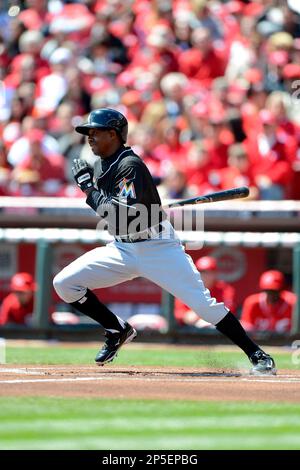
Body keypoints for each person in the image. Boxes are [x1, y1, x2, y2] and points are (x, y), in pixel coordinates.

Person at [53, 107, 276, 375]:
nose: (89, 137)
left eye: (95, 132)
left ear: (113, 134)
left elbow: (118, 216)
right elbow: (119, 216)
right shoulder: (103, 164)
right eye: (88, 132)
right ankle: (117, 329)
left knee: (203, 305)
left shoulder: (129, 165)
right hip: (124, 247)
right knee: (65, 284)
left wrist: (89, 190)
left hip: (157, 246)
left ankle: (257, 354)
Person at [175, 256, 236, 327]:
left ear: (215, 274)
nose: (203, 275)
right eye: (200, 272)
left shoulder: (224, 289)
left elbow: (228, 311)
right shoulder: (188, 288)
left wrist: (199, 315)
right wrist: (185, 316)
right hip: (190, 329)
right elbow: (178, 312)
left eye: (207, 272)